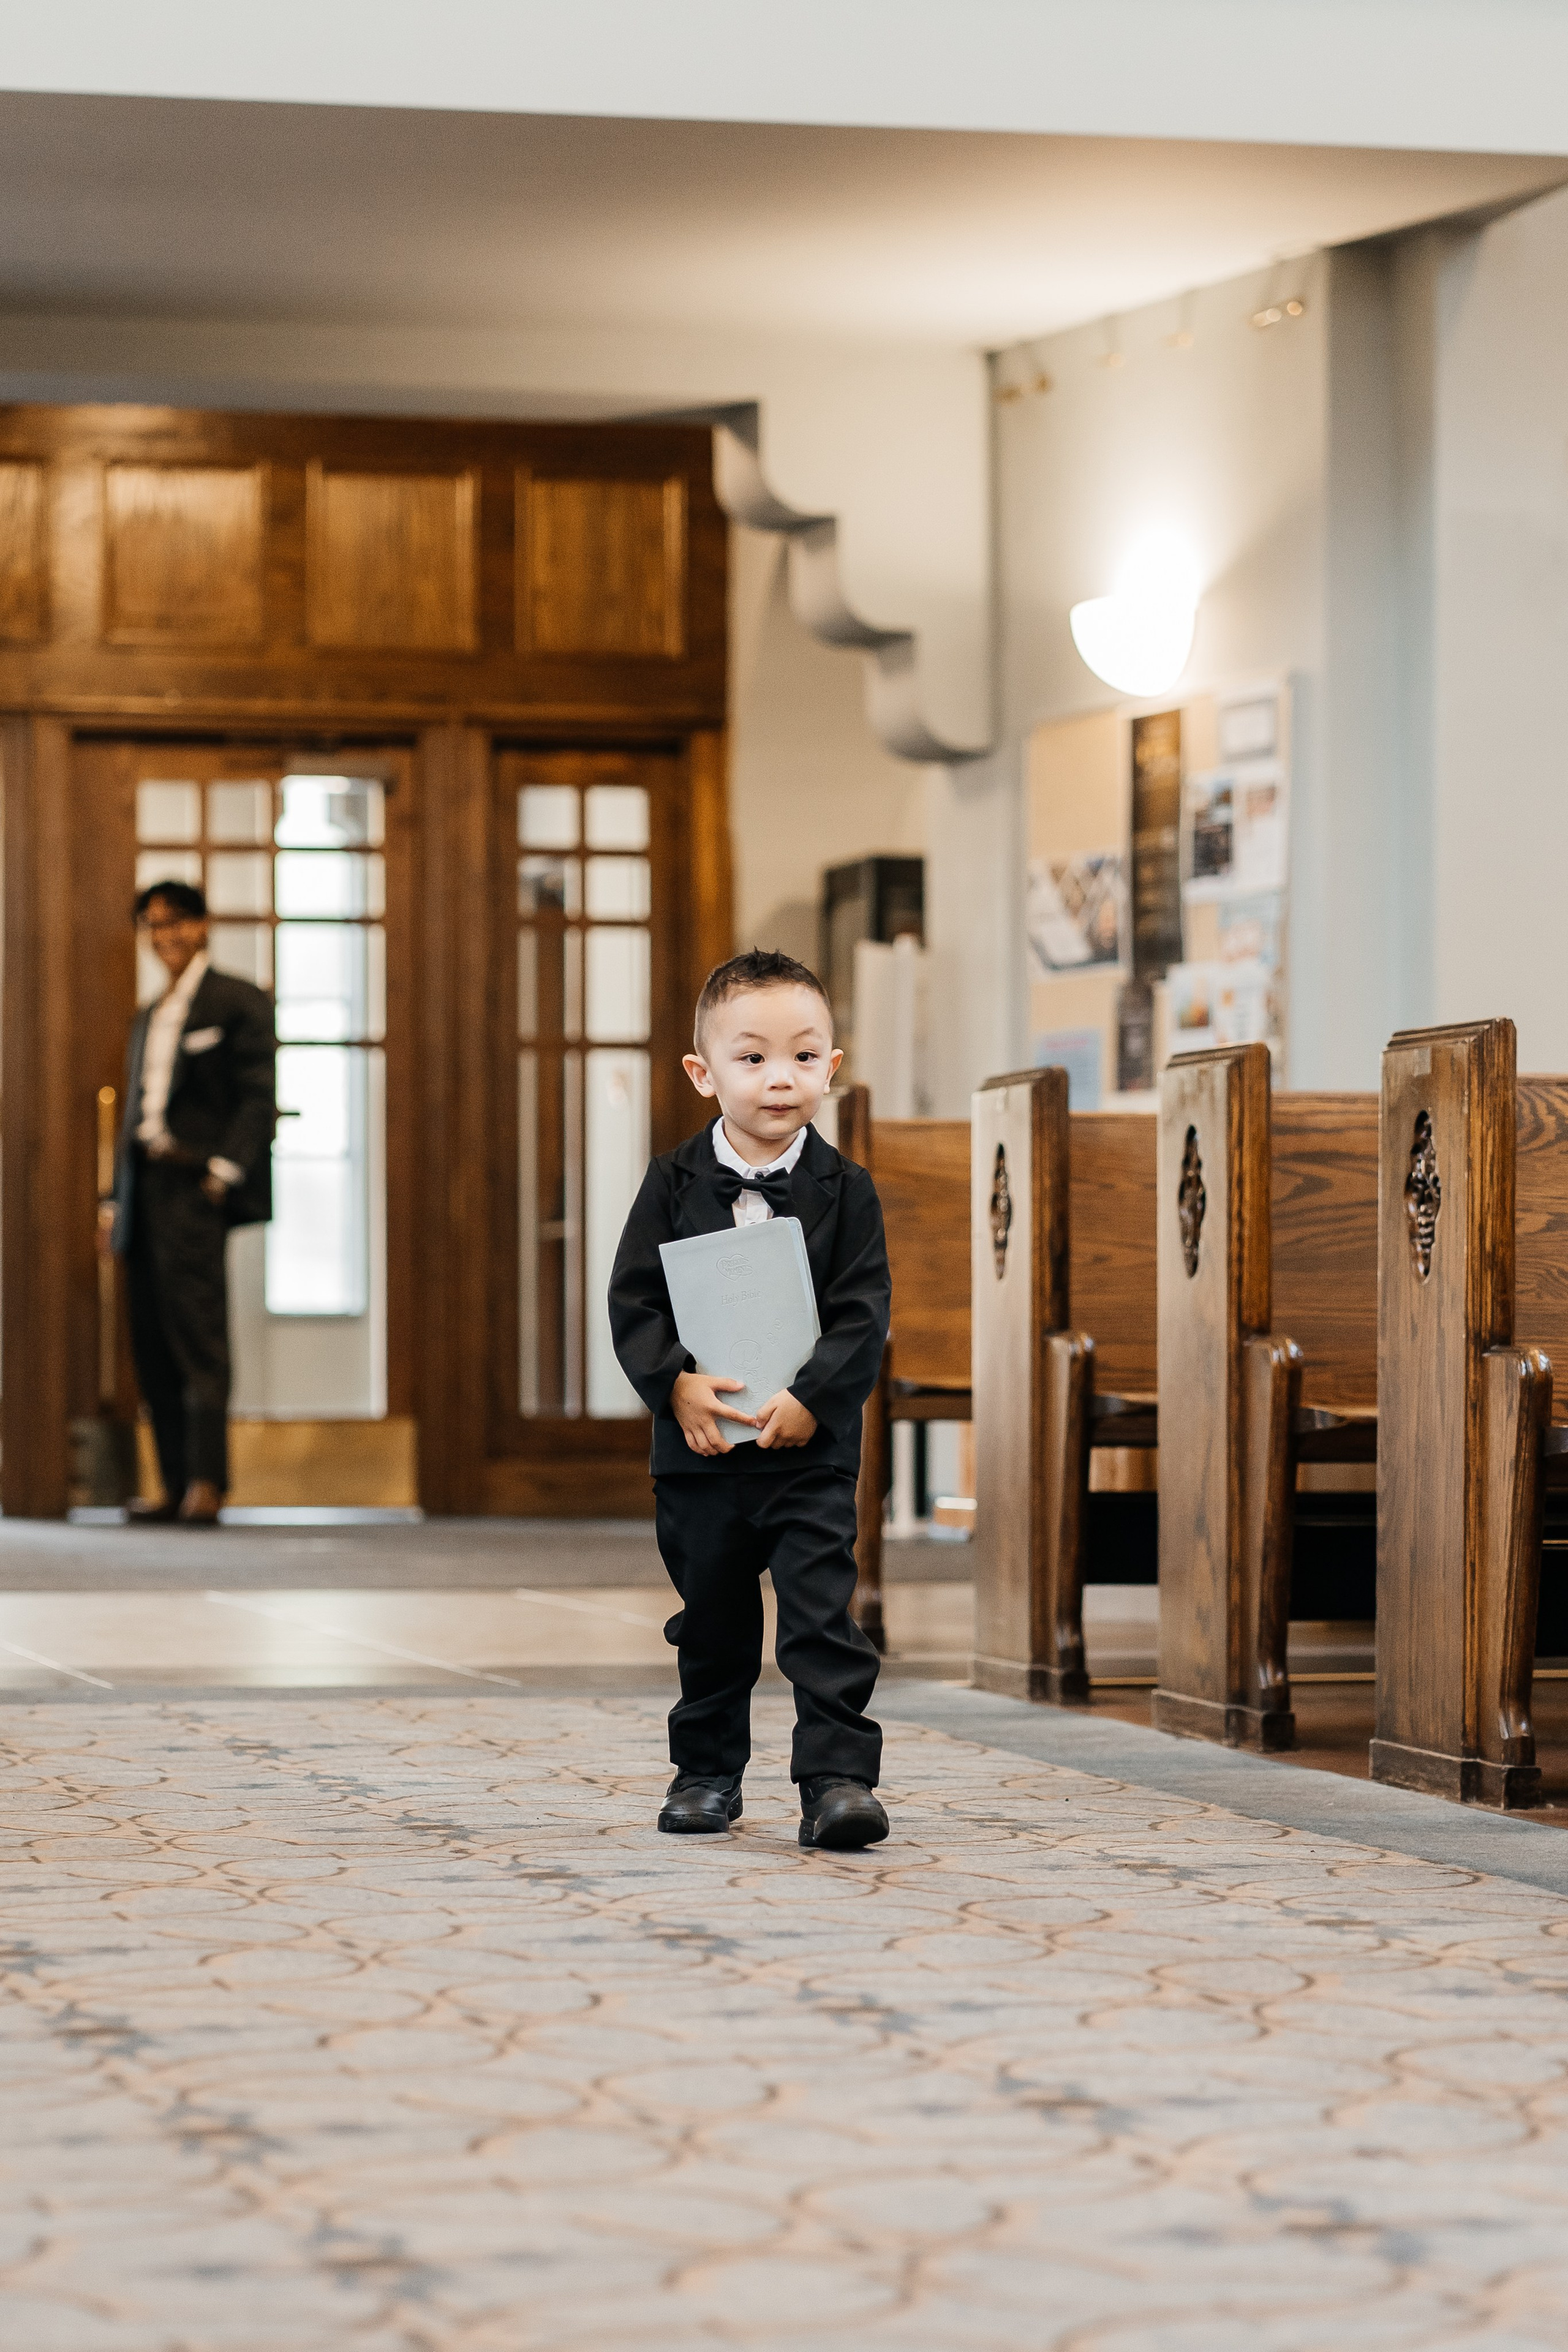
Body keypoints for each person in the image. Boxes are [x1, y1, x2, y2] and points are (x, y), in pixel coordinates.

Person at [608, 948, 893, 1850]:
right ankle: (705, 1773)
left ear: (833, 1070)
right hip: (701, 1456)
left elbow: (863, 1312)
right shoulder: (671, 1183)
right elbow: (633, 1300)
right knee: (715, 1624)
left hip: (807, 1451)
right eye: (754, 1057)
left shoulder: (847, 1193)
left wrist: (815, 1397)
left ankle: (837, 1778)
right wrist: (674, 1385)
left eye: (805, 1057)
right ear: (704, 1073)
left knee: (820, 1615)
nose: (782, 1079)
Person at [110, 881, 276, 1525]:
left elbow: (258, 1096)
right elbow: (135, 1113)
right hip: (143, 1189)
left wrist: (223, 1173)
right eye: (153, 927)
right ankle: (173, 1484)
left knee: (199, 1337)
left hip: (195, 1186)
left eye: (175, 924)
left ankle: (209, 1482)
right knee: (149, 1338)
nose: (165, 937)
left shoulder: (236, 1001)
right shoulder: (148, 1015)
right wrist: (112, 1200)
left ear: (203, 926)